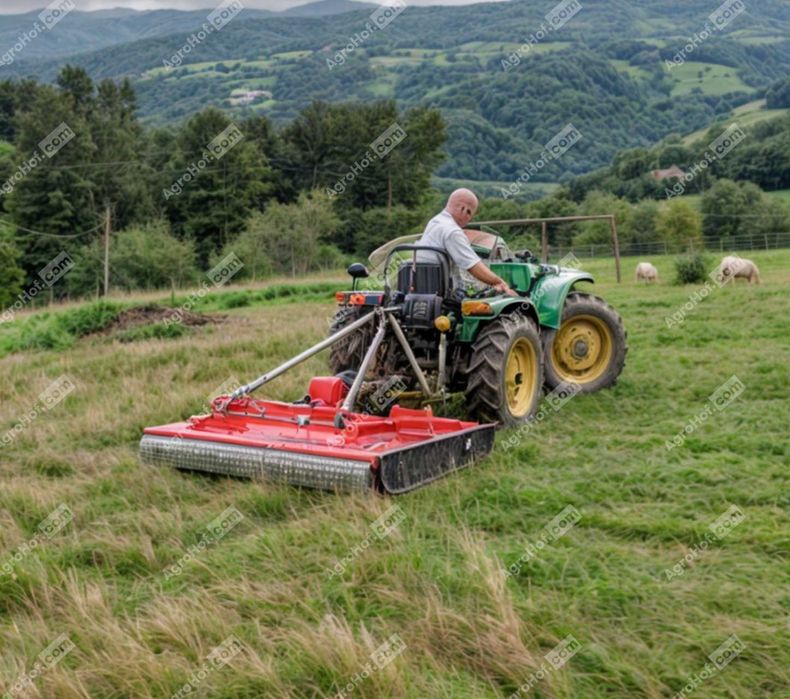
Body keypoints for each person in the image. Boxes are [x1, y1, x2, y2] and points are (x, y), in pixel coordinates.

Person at [416, 188, 517, 296]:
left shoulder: (435, 222)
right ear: (463, 209)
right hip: (439, 293)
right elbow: (473, 266)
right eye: (469, 214)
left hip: (422, 285)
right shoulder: (452, 231)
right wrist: (500, 283)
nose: (468, 219)